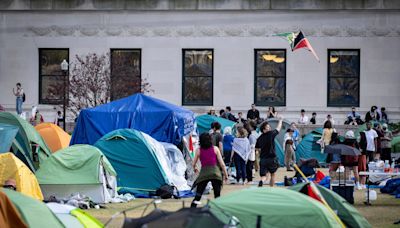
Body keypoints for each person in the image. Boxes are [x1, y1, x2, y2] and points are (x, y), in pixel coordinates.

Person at [191, 133, 228, 208]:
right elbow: (222, 164)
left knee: (198, 195)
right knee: (217, 196)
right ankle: (218, 210)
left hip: (204, 174)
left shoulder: (198, 150)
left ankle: (192, 209)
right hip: (215, 173)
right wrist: (226, 175)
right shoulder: (215, 149)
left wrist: (195, 168)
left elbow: (193, 163)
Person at [255, 116, 283, 187]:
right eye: (268, 127)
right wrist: (280, 120)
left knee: (263, 176)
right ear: (264, 130)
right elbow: (278, 129)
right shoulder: (270, 134)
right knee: (272, 174)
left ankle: (262, 181)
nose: (269, 127)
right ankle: (271, 188)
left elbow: (257, 149)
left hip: (263, 159)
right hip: (271, 158)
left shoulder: (259, 138)